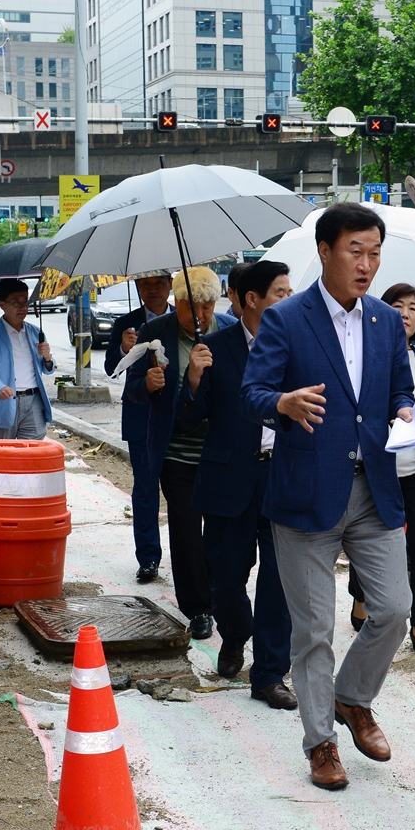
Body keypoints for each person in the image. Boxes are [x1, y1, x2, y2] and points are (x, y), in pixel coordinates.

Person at [242, 203, 414, 791]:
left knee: (394, 608)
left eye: (374, 253)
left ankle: (353, 696)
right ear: (324, 251)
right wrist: (282, 404)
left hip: (374, 489)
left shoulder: (387, 323)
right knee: (314, 628)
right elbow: (252, 392)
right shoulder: (287, 319)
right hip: (305, 495)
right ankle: (321, 743)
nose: (366, 265)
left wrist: (405, 409)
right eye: (355, 252)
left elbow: (397, 389)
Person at [176, 259, 296, 709]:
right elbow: (189, 419)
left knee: (279, 581)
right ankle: (235, 635)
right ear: (252, 300)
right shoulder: (216, 348)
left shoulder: (296, 344)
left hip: (281, 476)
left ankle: (269, 673)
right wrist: (193, 377)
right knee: (226, 578)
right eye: (281, 293)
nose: (290, 299)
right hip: (229, 479)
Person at [125, 266, 235, 640]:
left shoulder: (228, 332)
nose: (201, 315)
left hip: (220, 450)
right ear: (178, 303)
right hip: (176, 453)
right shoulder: (156, 333)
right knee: (187, 532)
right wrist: (149, 385)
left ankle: (218, 594)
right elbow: (132, 387)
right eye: (194, 307)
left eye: (207, 306)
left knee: (219, 532)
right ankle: (198, 607)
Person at [346, 283, 415, 655]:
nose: (405, 314)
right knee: (367, 538)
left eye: (414, 307)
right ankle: (360, 599)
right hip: (377, 466)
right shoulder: (368, 356)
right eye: (397, 306)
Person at [106, 272, 174, 584]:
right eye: (145, 284)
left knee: (182, 495)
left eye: (159, 282)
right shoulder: (127, 324)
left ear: (170, 285)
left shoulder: (184, 318)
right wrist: (123, 349)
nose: (153, 289)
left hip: (178, 421)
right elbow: (110, 368)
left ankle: (189, 555)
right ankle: (148, 558)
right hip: (141, 419)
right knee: (146, 490)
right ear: (137, 288)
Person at [0, 278, 55, 440]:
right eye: (16, 302)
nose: (22, 307)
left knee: (31, 453)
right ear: (2, 304)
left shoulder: (35, 332)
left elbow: (47, 368)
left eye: (25, 301)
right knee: (4, 453)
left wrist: (48, 358)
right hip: (3, 401)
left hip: (33, 402)